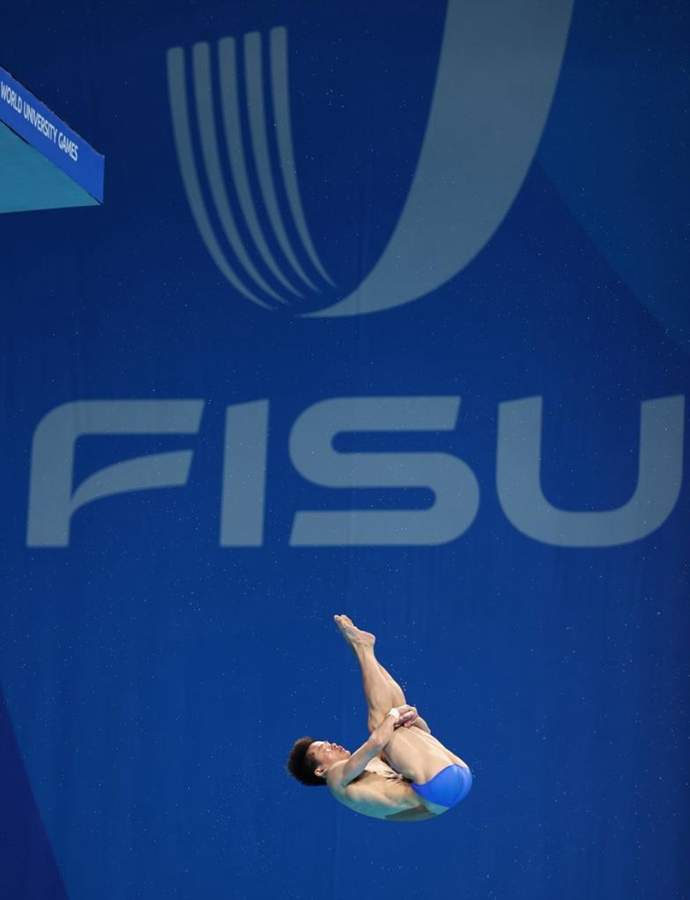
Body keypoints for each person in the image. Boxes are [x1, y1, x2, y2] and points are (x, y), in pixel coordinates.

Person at [286, 615, 472, 822]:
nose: (332, 744)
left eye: (327, 742)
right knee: (380, 724)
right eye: (323, 749)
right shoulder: (336, 779)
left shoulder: (372, 766)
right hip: (440, 787)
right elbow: (376, 741)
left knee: (396, 720)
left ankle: (364, 651)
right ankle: (363, 649)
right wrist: (394, 716)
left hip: (450, 784)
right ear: (320, 770)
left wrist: (413, 717)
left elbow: (424, 735)